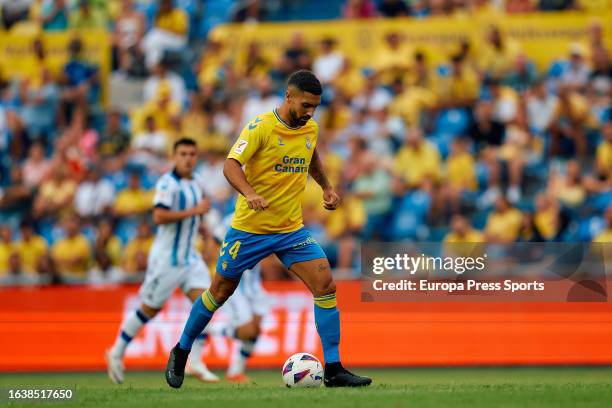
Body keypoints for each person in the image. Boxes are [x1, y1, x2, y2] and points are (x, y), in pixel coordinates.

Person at [165, 70, 372, 388]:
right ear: (288, 97)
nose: (310, 113)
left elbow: (310, 154)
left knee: (326, 285)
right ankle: (181, 350)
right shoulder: (260, 126)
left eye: (315, 107)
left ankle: (333, 368)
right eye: (305, 105)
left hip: (291, 230)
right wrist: (249, 193)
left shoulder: (310, 128)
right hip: (249, 230)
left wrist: (327, 187)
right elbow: (230, 164)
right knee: (219, 292)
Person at [105, 138, 217, 384]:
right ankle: (117, 351)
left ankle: (196, 361)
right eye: (183, 154)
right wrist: (194, 212)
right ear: (174, 156)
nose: (188, 158)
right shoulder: (167, 183)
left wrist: (205, 231)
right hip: (167, 260)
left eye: (192, 154)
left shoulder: (196, 181)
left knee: (206, 305)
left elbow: (196, 217)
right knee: (149, 309)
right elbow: (158, 216)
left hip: (190, 258)